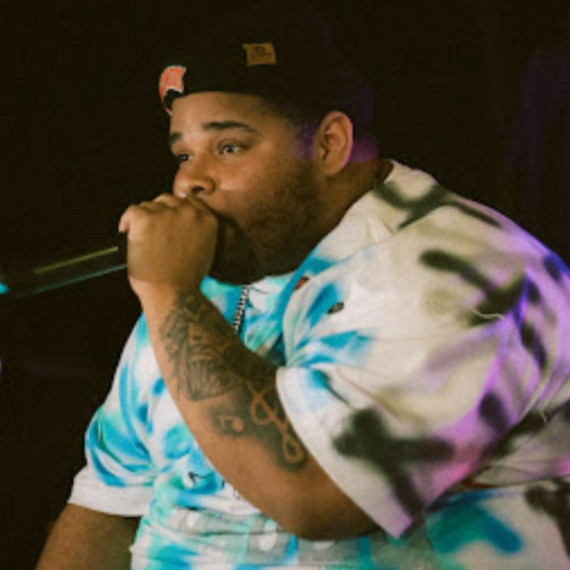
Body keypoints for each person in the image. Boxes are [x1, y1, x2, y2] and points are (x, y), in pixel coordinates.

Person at [36, 3, 570, 569]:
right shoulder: (206, 279)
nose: (190, 180)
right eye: (184, 154)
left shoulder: (461, 273)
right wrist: (173, 296)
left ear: (329, 144)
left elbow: (314, 497)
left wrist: (169, 295)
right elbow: (107, 506)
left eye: (229, 147)